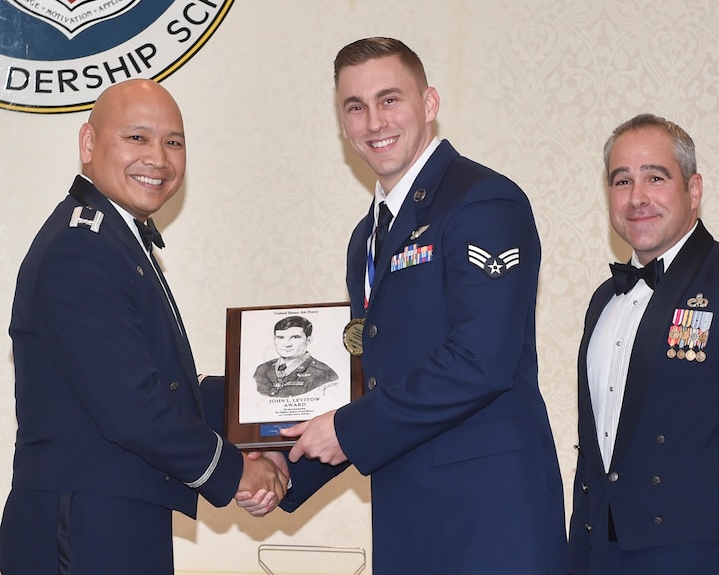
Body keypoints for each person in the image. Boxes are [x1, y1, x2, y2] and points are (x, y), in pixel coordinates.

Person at [238, 37, 569, 574]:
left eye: (389, 99)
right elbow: (370, 384)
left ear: (429, 103)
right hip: (405, 512)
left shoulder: (482, 200)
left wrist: (346, 431)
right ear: (343, 125)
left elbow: (481, 358)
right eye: (355, 107)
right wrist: (283, 460)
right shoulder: (365, 238)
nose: (374, 122)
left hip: (489, 519)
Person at [0, 79, 288, 575]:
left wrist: (271, 415)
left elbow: (166, 389)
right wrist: (237, 470)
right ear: (88, 144)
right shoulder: (82, 248)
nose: (158, 157)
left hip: (114, 514)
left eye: (173, 142)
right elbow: (132, 406)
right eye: (137, 137)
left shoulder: (115, 238)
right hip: (84, 523)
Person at [570, 113, 719, 575]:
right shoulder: (604, 301)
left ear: (694, 189)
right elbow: (594, 459)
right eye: (621, 181)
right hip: (602, 558)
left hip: (703, 560)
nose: (637, 197)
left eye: (655, 178)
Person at [253, 315, 339, 397]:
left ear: (309, 340)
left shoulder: (324, 374)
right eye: (280, 337)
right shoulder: (262, 370)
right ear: (274, 340)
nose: (286, 344)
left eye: (295, 337)